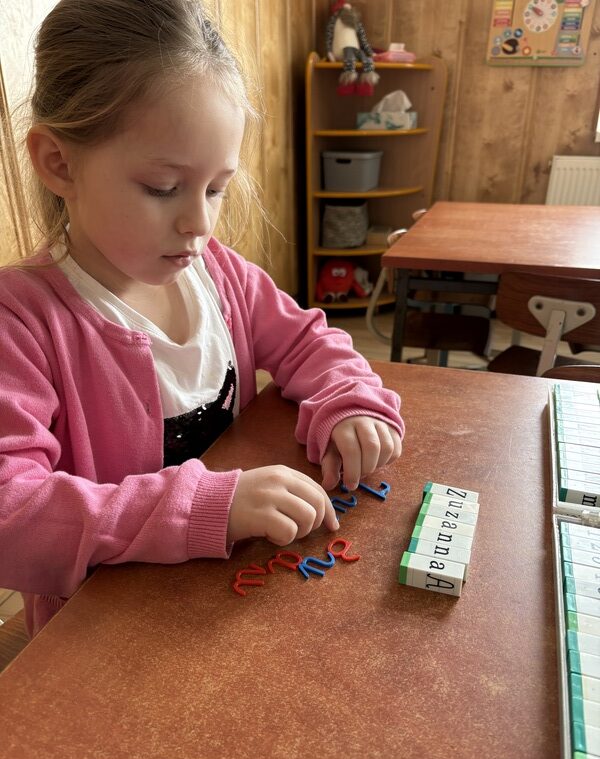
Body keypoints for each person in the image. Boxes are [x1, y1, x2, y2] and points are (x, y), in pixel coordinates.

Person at [0, 0, 404, 637]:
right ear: (59, 163)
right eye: (163, 188)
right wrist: (205, 506)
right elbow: (11, 515)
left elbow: (307, 340)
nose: (200, 223)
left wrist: (350, 400)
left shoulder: (218, 273)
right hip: (108, 639)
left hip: (231, 608)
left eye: (216, 188)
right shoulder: (21, 322)